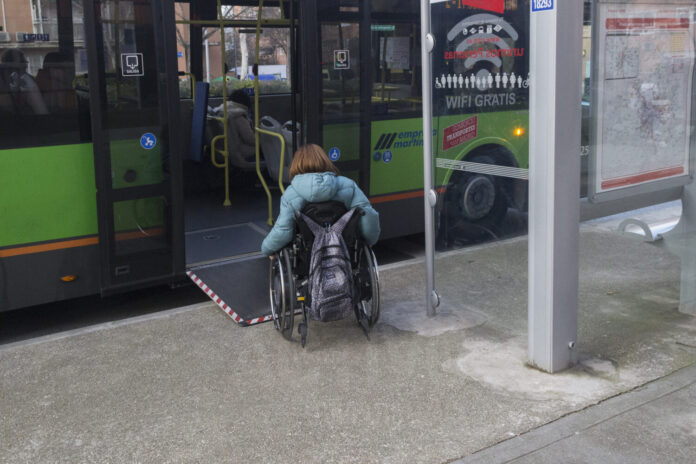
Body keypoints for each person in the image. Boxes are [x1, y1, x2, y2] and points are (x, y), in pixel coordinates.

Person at [261, 144, 380, 257]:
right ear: (325, 160)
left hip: (308, 256)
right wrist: (370, 240)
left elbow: (283, 231)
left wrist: (267, 249)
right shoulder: (348, 185)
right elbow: (367, 216)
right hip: (344, 253)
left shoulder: (291, 194)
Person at [209, 89, 256, 162]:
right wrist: (264, 140)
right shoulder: (238, 115)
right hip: (237, 151)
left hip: (221, 148)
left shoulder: (220, 110)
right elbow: (250, 139)